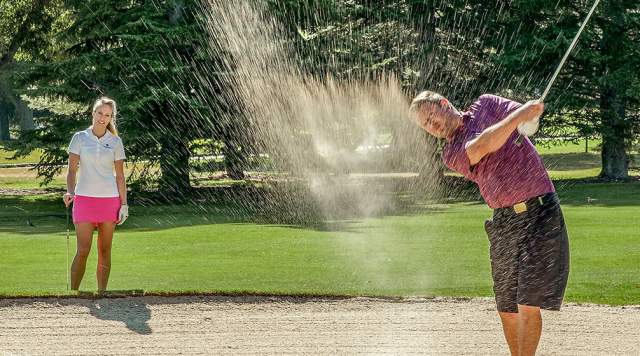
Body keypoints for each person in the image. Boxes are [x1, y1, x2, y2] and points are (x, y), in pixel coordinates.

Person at [409, 91, 570, 356]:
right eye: (425, 124)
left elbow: (527, 116)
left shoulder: (487, 104)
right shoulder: (451, 153)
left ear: (444, 104)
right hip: (504, 221)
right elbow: (482, 145)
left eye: (430, 115)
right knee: (506, 308)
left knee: (527, 303)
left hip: (540, 212)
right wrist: (520, 115)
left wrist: (530, 115)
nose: (431, 124)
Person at [63, 97, 129, 293]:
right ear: (93, 113)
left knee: (104, 251)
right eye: (100, 113)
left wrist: (124, 204)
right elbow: (71, 171)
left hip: (110, 202)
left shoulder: (115, 141)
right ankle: (73, 295)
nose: (103, 118)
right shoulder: (79, 138)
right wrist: (70, 191)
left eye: (107, 115)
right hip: (84, 200)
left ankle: (102, 294)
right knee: (83, 251)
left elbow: (120, 176)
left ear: (111, 118)